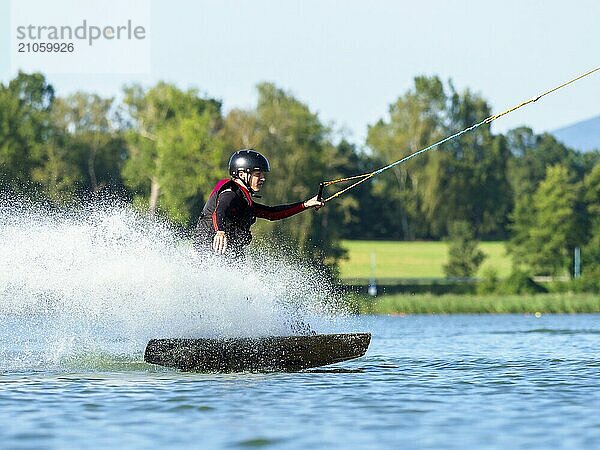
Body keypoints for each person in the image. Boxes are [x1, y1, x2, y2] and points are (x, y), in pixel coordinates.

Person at [195, 149, 324, 257]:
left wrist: (306, 204)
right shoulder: (230, 193)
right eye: (258, 174)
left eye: (263, 174)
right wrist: (220, 232)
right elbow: (220, 210)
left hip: (227, 254)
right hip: (211, 252)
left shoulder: (242, 201)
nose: (263, 178)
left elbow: (271, 214)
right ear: (241, 174)